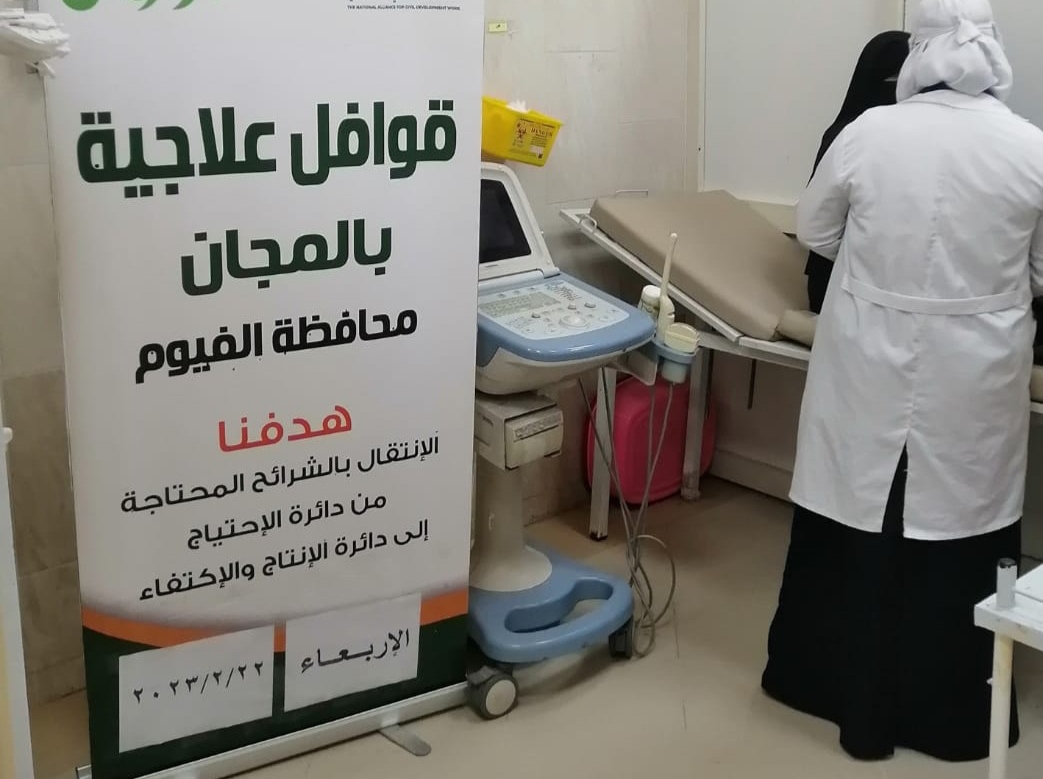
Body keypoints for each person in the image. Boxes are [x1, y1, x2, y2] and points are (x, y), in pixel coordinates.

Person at [762, 0, 1043, 763]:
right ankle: (949, 715)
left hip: (865, 359)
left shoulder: (869, 132)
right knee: (959, 531)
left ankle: (831, 691)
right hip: (974, 374)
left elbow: (815, 230)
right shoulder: (1030, 148)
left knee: (859, 516)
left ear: (917, 50)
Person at [805, 31, 911, 314]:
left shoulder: (911, 139)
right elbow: (815, 231)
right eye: (891, 81)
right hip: (835, 282)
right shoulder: (847, 136)